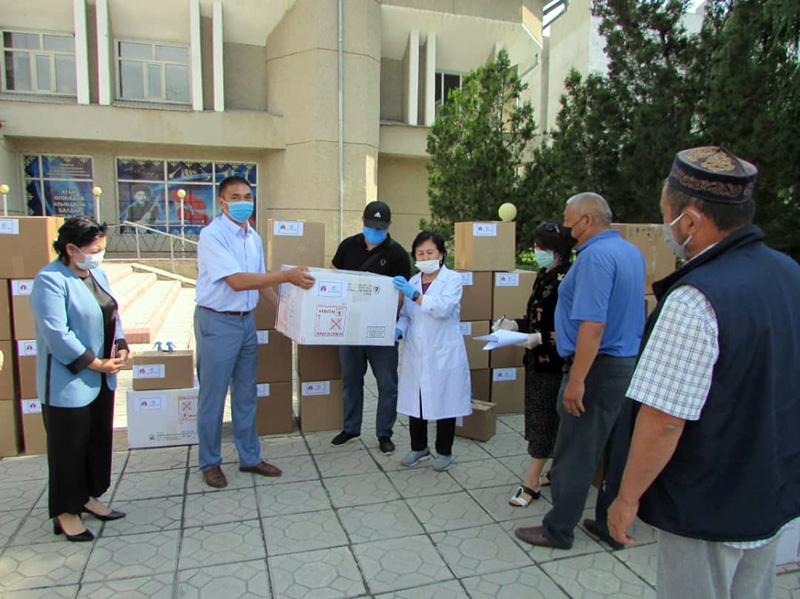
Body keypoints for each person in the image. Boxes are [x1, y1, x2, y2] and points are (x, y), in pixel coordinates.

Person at [607, 147, 800, 599]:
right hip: (770, 487)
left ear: (690, 221)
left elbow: (664, 420)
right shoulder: (789, 273)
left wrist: (626, 497)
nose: (667, 229)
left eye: (666, 216)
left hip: (707, 499)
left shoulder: (695, 298)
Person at [514, 193, 645, 550]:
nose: (566, 225)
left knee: (575, 452)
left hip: (596, 367)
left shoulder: (594, 258)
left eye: (568, 218)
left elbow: (593, 324)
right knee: (614, 451)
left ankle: (558, 530)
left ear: (587, 220)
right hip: (624, 364)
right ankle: (607, 524)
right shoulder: (630, 252)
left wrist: (577, 379)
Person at [195, 175, 315, 489]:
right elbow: (237, 281)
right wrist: (286, 276)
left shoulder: (253, 237)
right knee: (213, 397)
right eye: (235, 197)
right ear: (221, 202)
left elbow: (261, 282)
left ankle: (249, 457)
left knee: (247, 394)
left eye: (247, 196)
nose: (243, 202)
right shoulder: (213, 235)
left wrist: (285, 313)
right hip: (217, 323)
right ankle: (210, 462)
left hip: (245, 323)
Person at [29, 216, 129, 542]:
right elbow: (57, 334)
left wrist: (121, 345)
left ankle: (88, 497)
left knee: (96, 441)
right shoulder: (50, 280)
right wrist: (96, 364)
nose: (99, 255)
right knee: (68, 449)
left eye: (102, 248)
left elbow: (111, 313)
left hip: (102, 379)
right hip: (69, 382)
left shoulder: (97, 274)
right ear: (71, 249)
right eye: (94, 249)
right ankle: (66, 512)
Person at [499, 222, 574, 507]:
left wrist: (540, 338)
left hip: (554, 362)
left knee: (544, 418)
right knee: (540, 415)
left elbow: (572, 327)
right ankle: (553, 470)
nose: (536, 250)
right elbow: (535, 316)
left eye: (541, 246)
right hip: (535, 359)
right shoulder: (544, 275)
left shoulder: (568, 278)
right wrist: (513, 325)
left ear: (557, 251)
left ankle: (531, 481)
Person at [329, 201, 411, 455]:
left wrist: (388, 320)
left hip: (381, 329)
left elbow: (401, 293)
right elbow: (334, 275)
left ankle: (384, 433)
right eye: (371, 225)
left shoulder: (398, 254)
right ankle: (350, 428)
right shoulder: (348, 246)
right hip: (351, 326)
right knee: (351, 379)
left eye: (380, 227)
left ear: (389, 225)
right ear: (362, 221)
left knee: (387, 384)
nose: (375, 231)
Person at [393, 231, 471, 471]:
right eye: (420, 253)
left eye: (430, 252)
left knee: (445, 401)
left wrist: (414, 295)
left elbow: (443, 309)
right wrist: (398, 330)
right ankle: (419, 447)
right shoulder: (413, 281)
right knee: (416, 401)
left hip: (443, 352)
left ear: (442, 254)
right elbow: (407, 315)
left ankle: (444, 451)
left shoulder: (453, 279)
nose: (425, 257)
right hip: (417, 352)